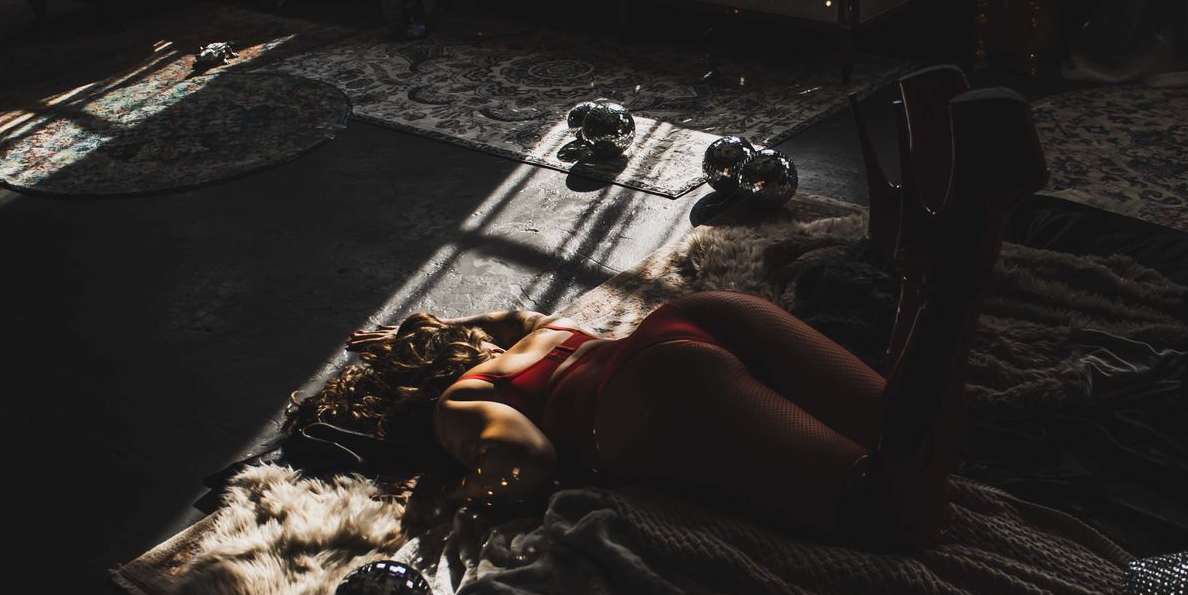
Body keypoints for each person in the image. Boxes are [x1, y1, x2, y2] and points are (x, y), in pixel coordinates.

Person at [305, 79, 1048, 550]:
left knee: (893, 514)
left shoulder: (467, 398)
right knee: (922, 437)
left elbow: (523, 464)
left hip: (649, 392)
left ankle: (955, 267)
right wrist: (412, 338)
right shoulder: (533, 333)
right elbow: (500, 319)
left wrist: (462, 491)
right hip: (699, 318)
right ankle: (927, 261)